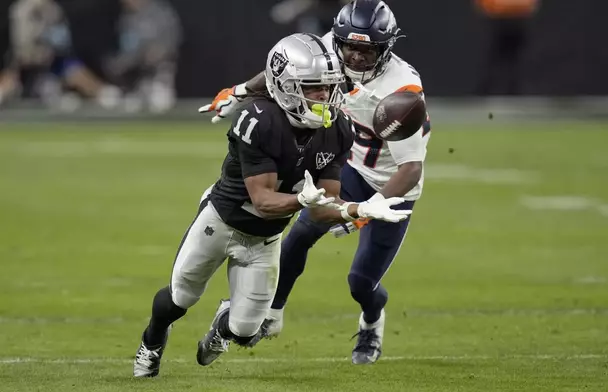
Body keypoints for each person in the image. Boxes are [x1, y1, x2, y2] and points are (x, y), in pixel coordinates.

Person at [133, 32, 412, 378]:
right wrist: (300, 200)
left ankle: (222, 327)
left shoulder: (338, 128)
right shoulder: (257, 119)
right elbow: (263, 201)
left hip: (264, 241)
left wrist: (360, 210)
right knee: (180, 298)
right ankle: (153, 340)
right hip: (221, 222)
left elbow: (323, 207)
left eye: (327, 87)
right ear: (285, 86)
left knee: (246, 331)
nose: (323, 96)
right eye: (312, 88)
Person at [200, 0, 431, 365]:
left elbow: (410, 169)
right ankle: (270, 315)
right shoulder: (329, 51)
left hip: (392, 184)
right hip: (351, 168)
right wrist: (242, 91)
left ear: (385, 48)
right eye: (350, 46)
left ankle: (372, 320)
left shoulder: (402, 90)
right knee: (300, 235)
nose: (354, 57)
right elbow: (284, 71)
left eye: (366, 49)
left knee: (361, 282)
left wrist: (368, 212)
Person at [0, 0, 121, 110]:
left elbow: (61, 37)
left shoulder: (52, 8)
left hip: (50, 60)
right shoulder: (24, 10)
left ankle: (102, 93)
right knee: (12, 77)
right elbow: (22, 45)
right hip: (26, 60)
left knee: (70, 67)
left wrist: (51, 49)